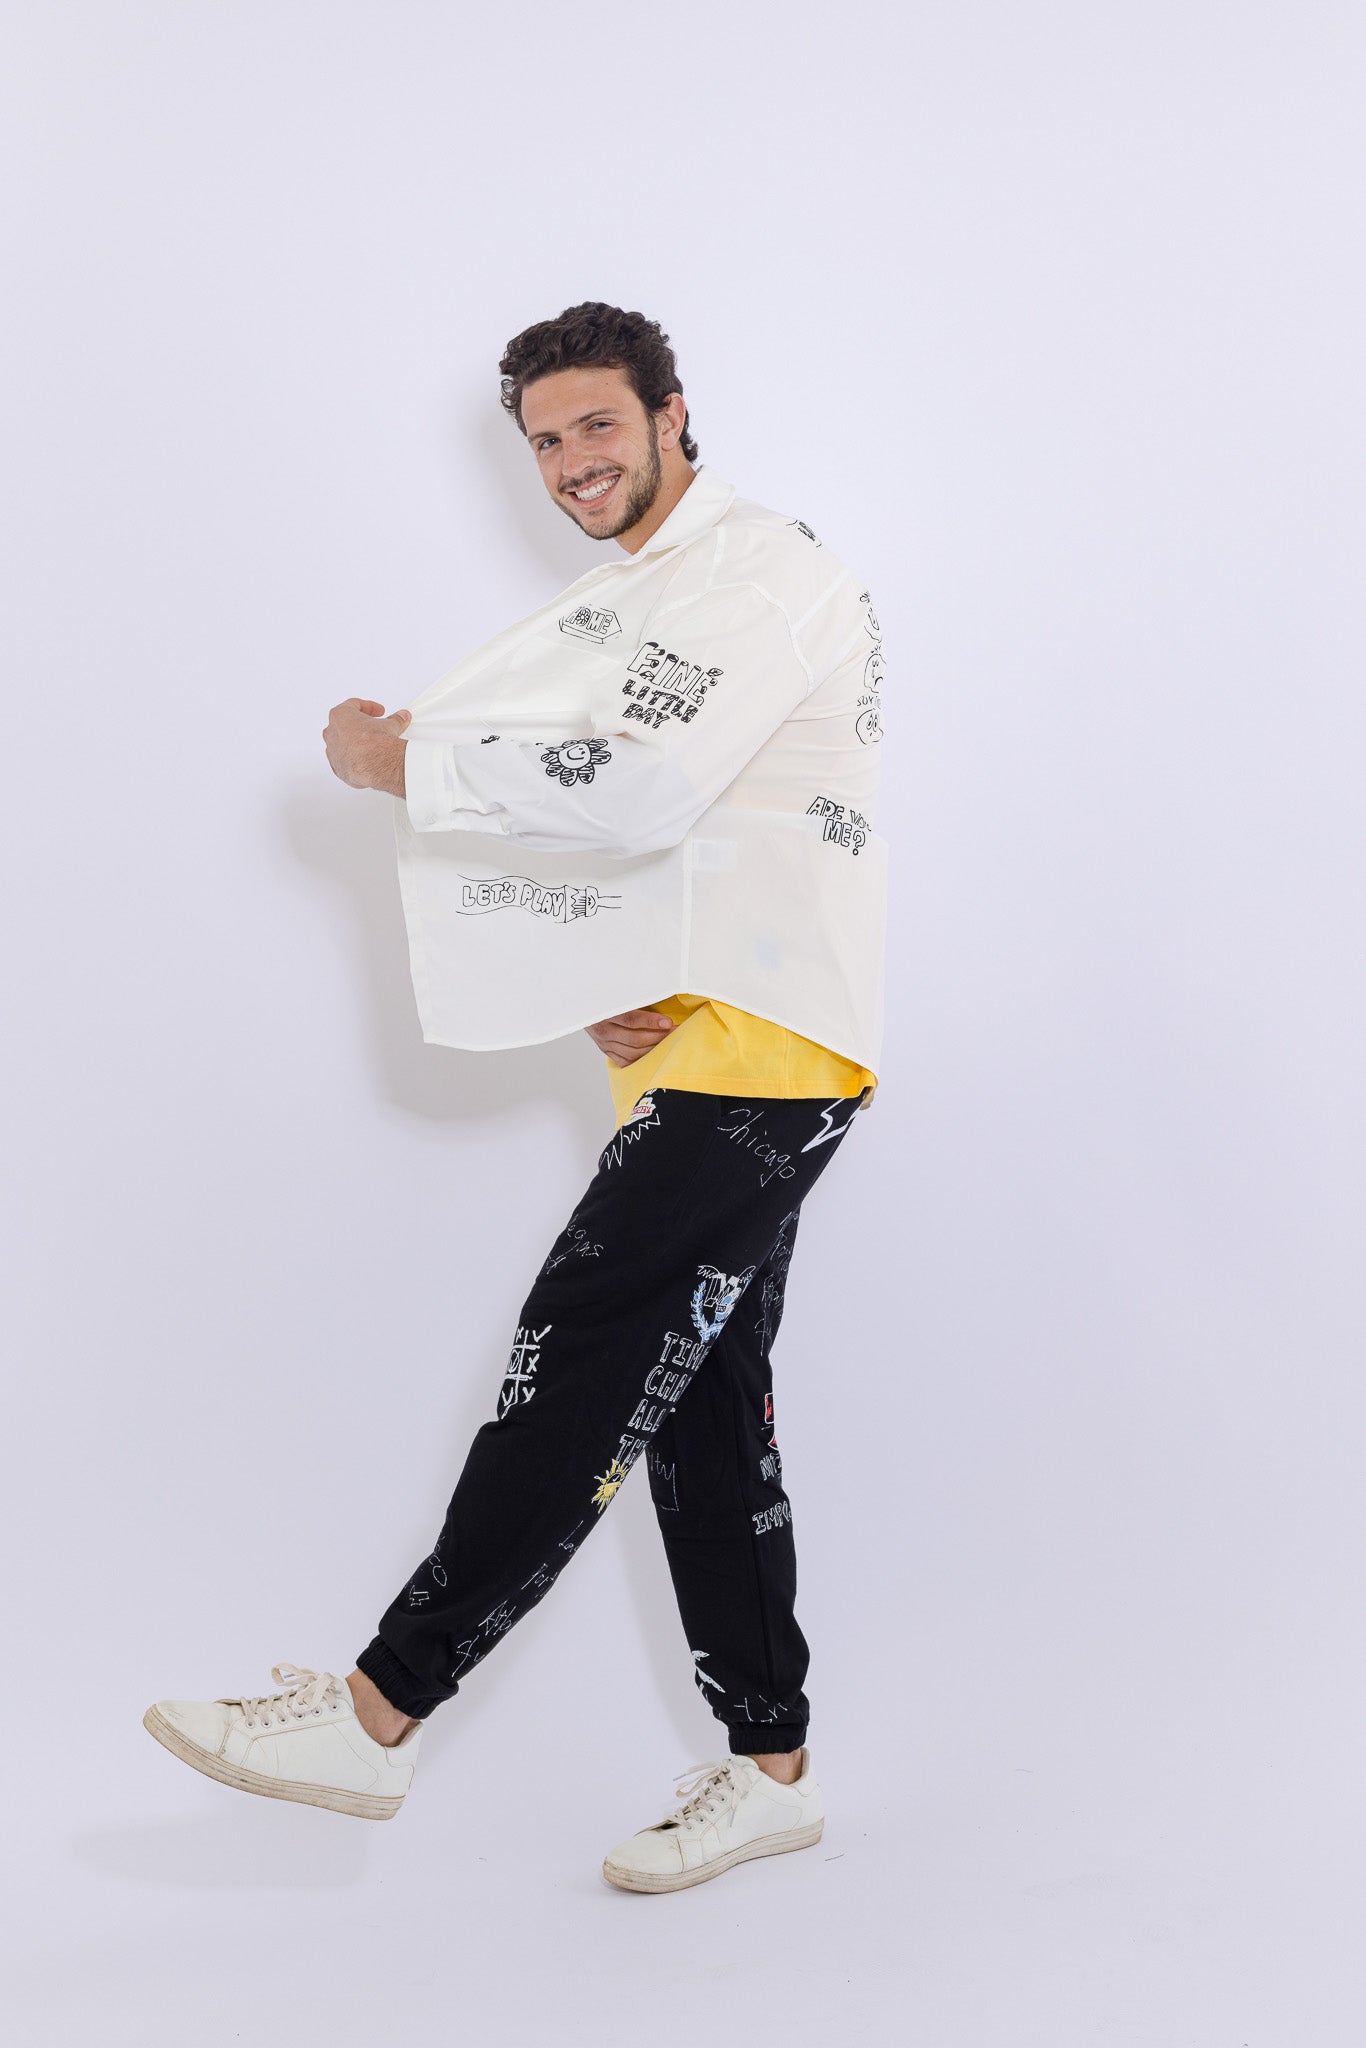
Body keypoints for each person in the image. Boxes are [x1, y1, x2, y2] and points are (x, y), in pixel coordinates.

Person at [143, 303, 888, 1894]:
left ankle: (376, 1714)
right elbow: (690, 821)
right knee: (699, 1410)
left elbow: (642, 789)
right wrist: (600, 971)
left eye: (596, 426)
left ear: (671, 413)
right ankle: (770, 1771)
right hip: (702, 1049)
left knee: (582, 1350)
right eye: (544, 441)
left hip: (764, 1049)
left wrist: (400, 762)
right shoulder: (653, 596)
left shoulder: (758, 574)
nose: (569, 464)